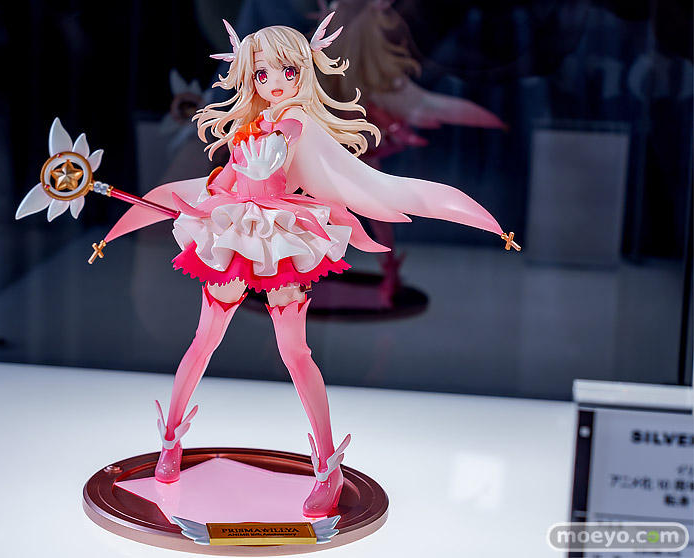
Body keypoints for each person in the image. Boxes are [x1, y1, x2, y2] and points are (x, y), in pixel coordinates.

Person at [101, 13, 516, 517]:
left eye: (287, 72)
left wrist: (263, 167)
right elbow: (224, 183)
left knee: (295, 353)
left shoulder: (296, 125)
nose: (274, 83)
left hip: (281, 238)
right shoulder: (250, 127)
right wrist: (201, 202)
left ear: (303, 71)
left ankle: (328, 467)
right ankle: (170, 443)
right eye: (262, 73)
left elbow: (292, 160)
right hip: (236, 235)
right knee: (204, 339)